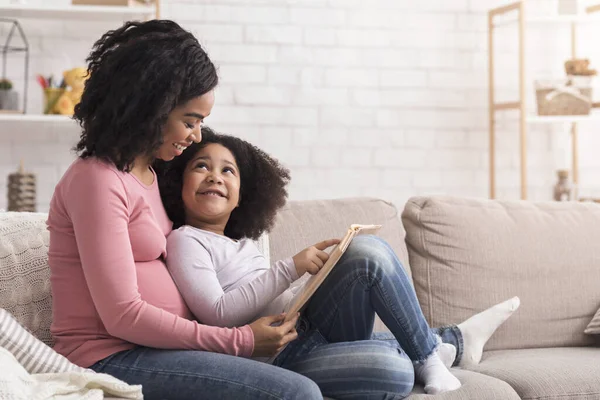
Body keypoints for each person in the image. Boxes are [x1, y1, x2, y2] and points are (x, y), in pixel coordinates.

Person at [46, 19, 323, 400]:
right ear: (151, 109)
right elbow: (122, 315)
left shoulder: (151, 174)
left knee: (364, 375)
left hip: (163, 349)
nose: (195, 136)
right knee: (298, 394)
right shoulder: (96, 179)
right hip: (108, 356)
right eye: (190, 121)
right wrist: (238, 340)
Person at [159, 127, 521, 400]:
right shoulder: (185, 239)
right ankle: (448, 343)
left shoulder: (243, 242)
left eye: (228, 171)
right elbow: (218, 313)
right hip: (276, 358)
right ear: (179, 183)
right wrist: (291, 268)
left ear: (240, 196)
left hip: (309, 324)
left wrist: (311, 282)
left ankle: (429, 356)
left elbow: (266, 297)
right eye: (201, 166)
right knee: (392, 372)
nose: (215, 176)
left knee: (367, 251)